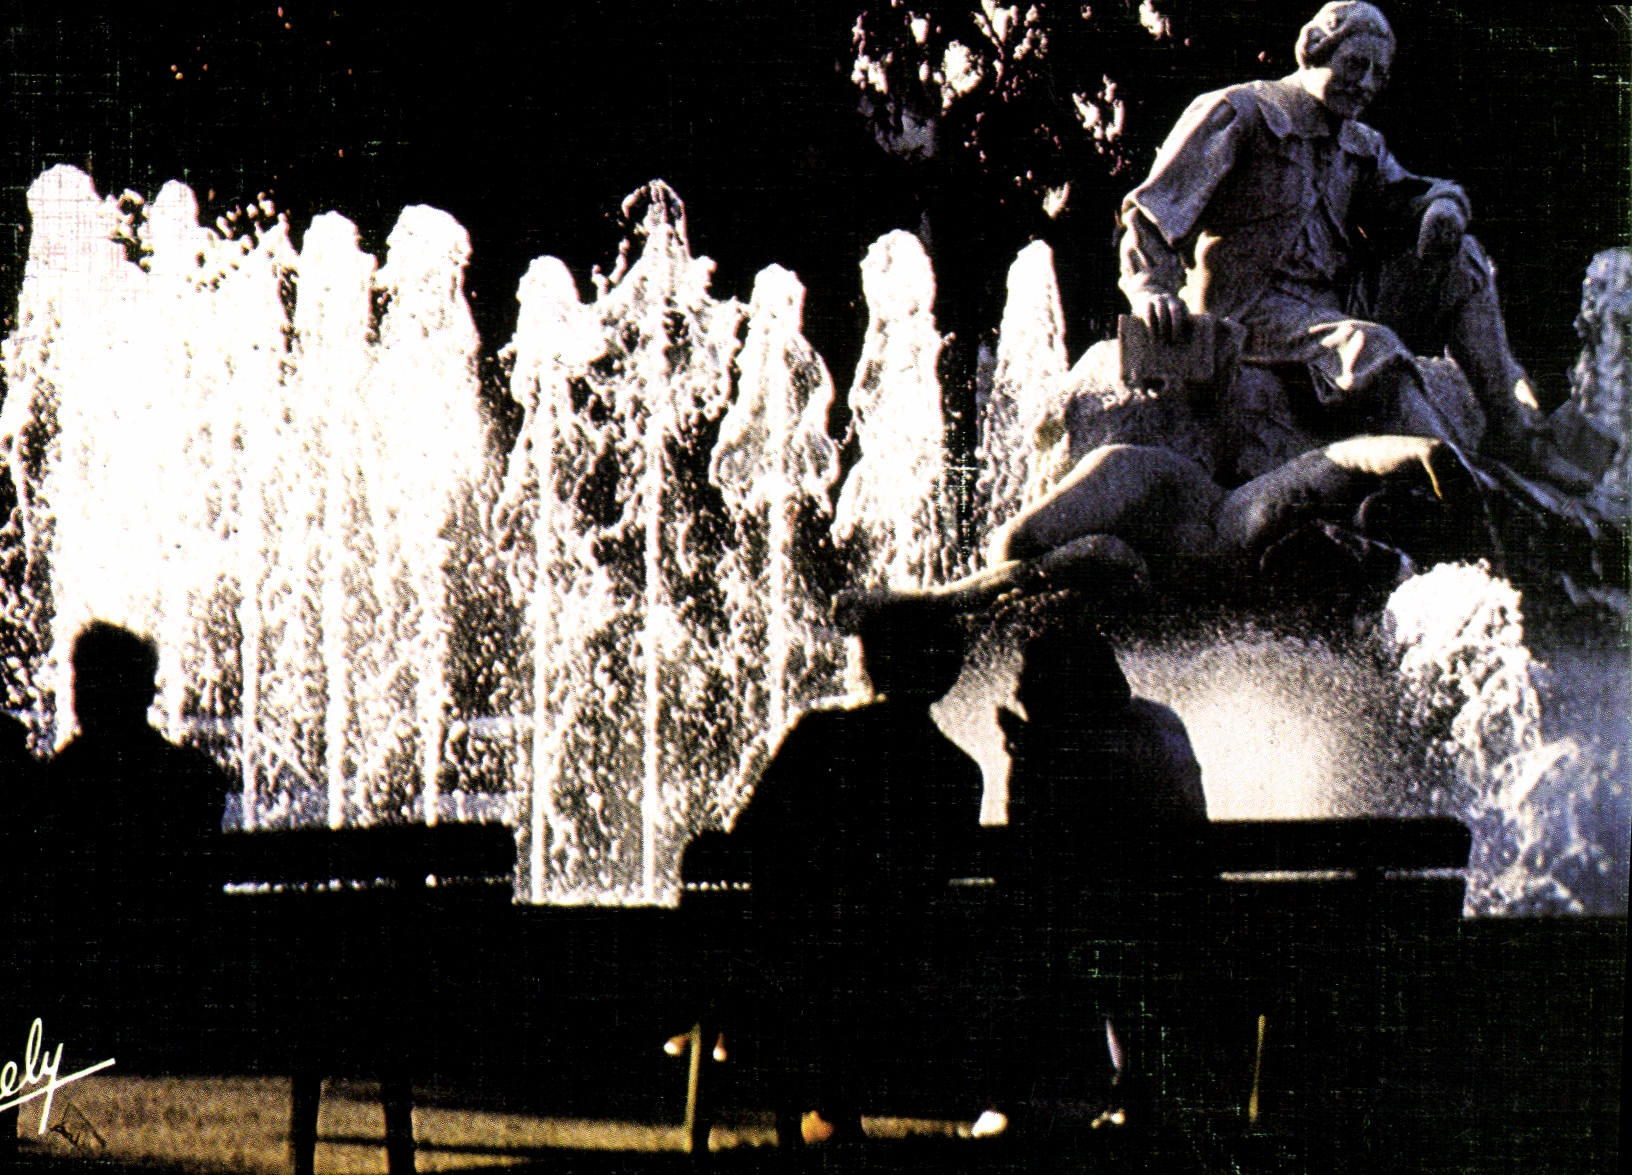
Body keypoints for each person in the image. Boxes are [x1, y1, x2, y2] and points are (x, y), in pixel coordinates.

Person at [1119, 2, 1551, 479]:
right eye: (1354, 65)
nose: (1365, 84)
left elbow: (1407, 197)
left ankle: (1511, 433)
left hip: (1332, 302)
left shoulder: (1360, 143)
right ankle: (1455, 475)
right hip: (1248, 311)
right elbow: (1152, 212)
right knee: (1369, 345)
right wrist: (1149, 289)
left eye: (1378, 75)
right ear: (1311, 49)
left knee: (1463, 259)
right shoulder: (1238, 113)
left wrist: (1442, 208)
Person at [730, 605, 984, 1145]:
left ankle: (815, 1102)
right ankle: (832, 1107)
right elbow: (933, 881)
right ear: (950, 672)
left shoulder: (820, 736)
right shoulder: (958, 773)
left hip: (790, 956)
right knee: (863, 951)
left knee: (819, 953)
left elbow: (745, 838)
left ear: (869, 665)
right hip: (900, 966)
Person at [981, 615, 1207, 1137]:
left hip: (1113, 922)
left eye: (1029, 678)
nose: (1018, 689)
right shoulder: (1161, 721)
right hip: (1188, 912)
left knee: (1033, 942)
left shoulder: (1063, 746)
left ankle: (1005, 1104)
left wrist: (1026, 756)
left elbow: (1032, 849)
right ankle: (1134, 1097)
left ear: (1062, 684)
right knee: (1106, 936)